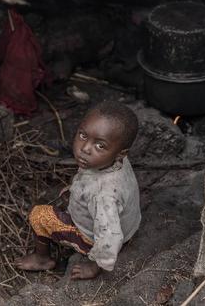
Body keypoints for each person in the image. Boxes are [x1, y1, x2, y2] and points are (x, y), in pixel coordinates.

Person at [14, 101, 141, 279]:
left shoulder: (104, 195)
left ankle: (42, 258)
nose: (85, 149)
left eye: (100, 146)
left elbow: (109, 237)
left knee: (39, 214)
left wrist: (95, 266)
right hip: (128, 225)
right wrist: (77, 188)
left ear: (121, 153)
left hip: (93, 238)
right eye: (83, 135)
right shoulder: (116, 160)